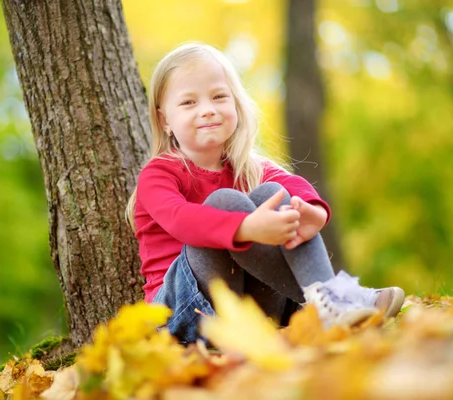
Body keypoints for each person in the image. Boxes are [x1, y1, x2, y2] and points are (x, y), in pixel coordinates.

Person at [126, 42, 404, 343]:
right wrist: (246, 228)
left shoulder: (247, 168)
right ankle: (339, 299)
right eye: (189, 103)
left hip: (254, 308)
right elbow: (181, 220)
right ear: (165, 120)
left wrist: (314, 212)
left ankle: (331, 302)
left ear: (235, 104)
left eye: (219, 96)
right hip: (183, 316)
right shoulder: (158, 174)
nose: (207, 110)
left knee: (272, 192)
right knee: (225, 203)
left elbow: (293, 185)